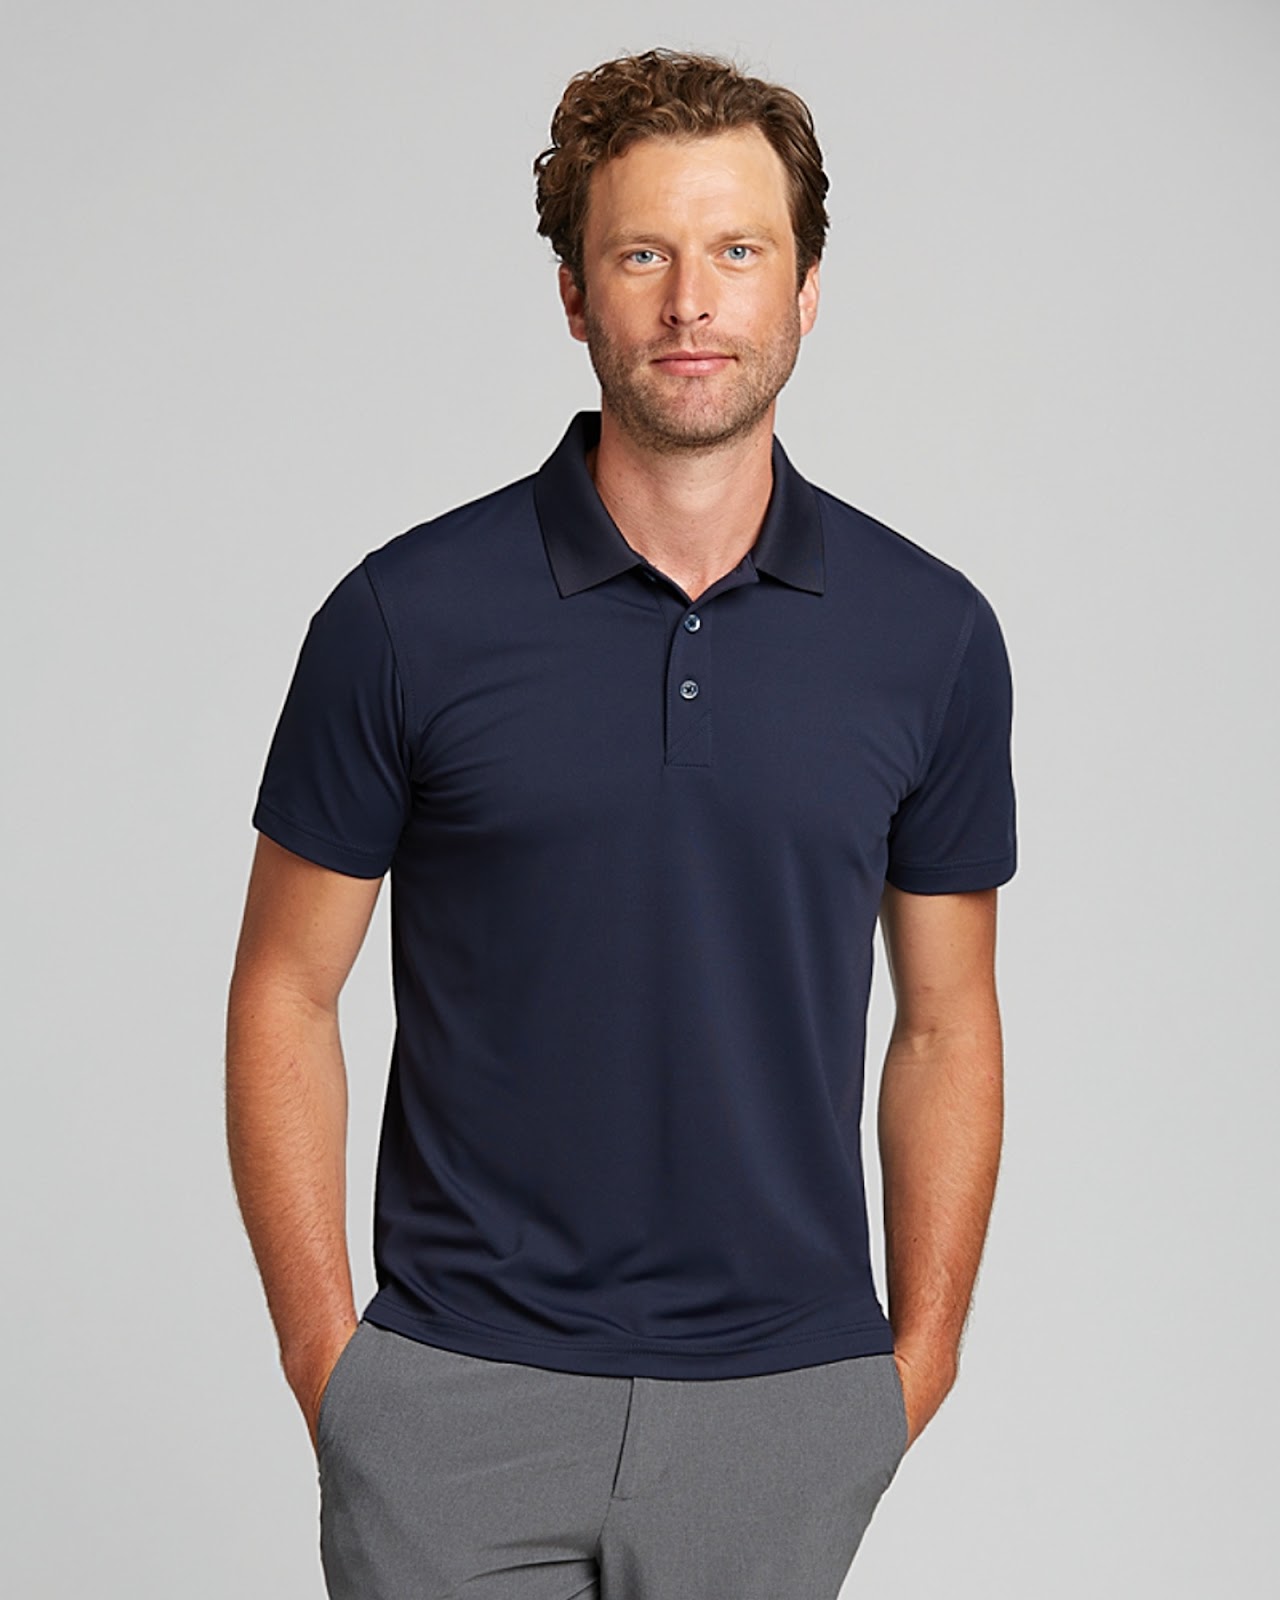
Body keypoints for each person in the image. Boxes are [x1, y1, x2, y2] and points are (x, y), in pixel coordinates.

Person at [226, 45, 1017, 1600]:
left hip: (783, 1408)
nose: (691, 304)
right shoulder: (403, 618)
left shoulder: (929, 637)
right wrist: (339, 1372)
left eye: (739, 252)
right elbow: (284, 991)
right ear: (575, 296)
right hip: (455, 1395)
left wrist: (910, 1371)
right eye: (642, 255)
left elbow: (948, 1024)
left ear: (807, 289)